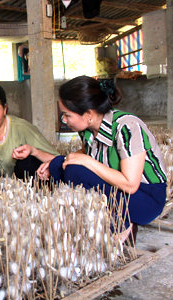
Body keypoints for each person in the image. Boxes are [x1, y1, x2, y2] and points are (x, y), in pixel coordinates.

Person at [37, 76, 167, 244]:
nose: (64, 120)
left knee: (74, 171)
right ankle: (103, 214)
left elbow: (130, 184)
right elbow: (88, 153)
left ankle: (123, 225)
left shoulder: (127, 127)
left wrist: (86, 161)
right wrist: (59, 161)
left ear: (89, 114)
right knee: (58, 164)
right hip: (116, 191)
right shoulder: (88, 129)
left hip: (145, 199)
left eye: (67, 115)